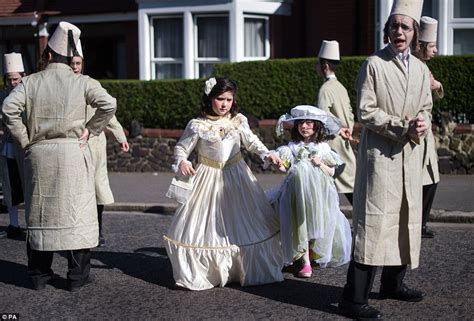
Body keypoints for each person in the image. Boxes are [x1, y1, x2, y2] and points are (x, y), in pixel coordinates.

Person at [2, 21, 116, 291]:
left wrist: (24, 139)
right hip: (73, 152)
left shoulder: (30, 82)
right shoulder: (83, 81)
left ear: (49, 55)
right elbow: (109, 103)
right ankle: (77, 277)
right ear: (69, 58)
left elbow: (8, 109)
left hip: (39, 154)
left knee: (41, 212)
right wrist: (92, 129)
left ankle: (39, 275)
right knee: (77, 212)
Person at [339, 0, 433, 319]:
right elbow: (365, 110)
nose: (399, 32)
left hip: (409, 156)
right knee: (374, 223)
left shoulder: (421, 68)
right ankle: (353, 299)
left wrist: (422, 123)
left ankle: (393, 283)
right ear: (387, 30)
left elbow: (426, 108)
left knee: (405, 218)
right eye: (394, 26)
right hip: (380, 156)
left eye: (405, 26)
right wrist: (401, 125)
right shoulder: (374, 64)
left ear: (415, 32)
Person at [164, 77, 284, 291]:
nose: (224, 104)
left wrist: (269, 154)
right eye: (220, 98)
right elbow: (182, 148)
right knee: (206, 224)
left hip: (237, 176)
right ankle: (208, 272)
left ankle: (240, 267)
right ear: (210, 98)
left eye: (229, 99)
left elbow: (252, 142)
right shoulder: (197, 125)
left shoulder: (237, 120)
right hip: (207, 177)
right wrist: (182, 161)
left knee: (243, 221)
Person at [270, 105, 352, 278]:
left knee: (318, 221)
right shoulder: (292, 147)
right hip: (297, 191)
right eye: (301, 123)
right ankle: (304, 261)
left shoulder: (322, 148)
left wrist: (320, 163)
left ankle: (314, 252)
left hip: (319, 193)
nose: (304, 127)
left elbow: (332, 172)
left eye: (309, 123)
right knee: (301, 223)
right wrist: (280, 165)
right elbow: (287, 169)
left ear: (317, 126)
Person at [70, 43, 130, 246]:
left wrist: (120, 137)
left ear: (83, 65)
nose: (75, 67)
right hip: (73, 144)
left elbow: (108, 114)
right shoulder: (65, 87)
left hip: (95, 145)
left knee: (97, 188)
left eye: (78, 63)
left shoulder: (91, 85)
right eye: (71, 63)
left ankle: (98, 230)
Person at [316, 40, 357, 204]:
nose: (315, 67)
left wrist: (338, 130)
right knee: (347, 184)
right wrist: (348, 130)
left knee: (330, 186)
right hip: (344, 142)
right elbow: (350, 113)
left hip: (332, 145)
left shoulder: (325, 89)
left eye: (317, 64)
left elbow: (322, 117)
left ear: (325, 66)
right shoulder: (340, 87)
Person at [413, 16, 443, 239]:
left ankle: (421, 223)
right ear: (422, 46)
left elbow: (435, 94)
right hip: (417, 132)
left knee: (431, 180)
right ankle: (418, 224)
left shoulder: (424, 68)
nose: (436, 50)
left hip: (426, 133)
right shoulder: (416, 67)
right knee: (423, 181)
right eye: (432, 46)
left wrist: (437, 85)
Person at [0, 53, 26, 239]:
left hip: (24, 145)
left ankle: (31, 224)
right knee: (9, 185)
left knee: (26, 184)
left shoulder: (28, 93)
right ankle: (13, 223)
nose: (12, 83)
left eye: (15, 79)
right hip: (6, 146)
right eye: (9, 79)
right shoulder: (2, 96)